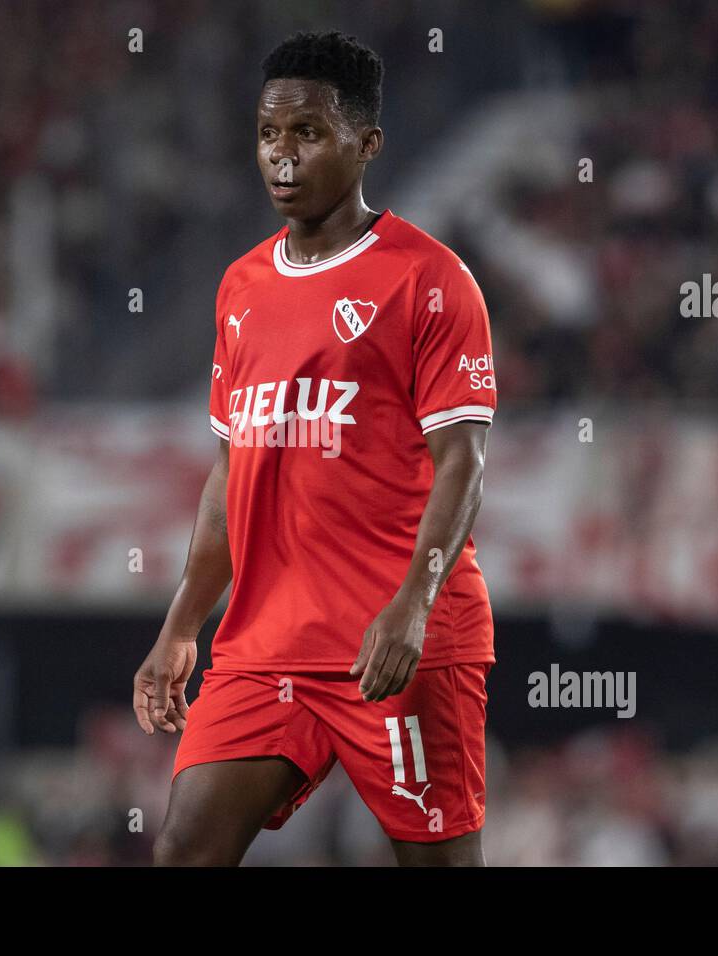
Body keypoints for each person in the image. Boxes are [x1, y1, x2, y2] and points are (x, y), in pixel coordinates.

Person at [133, 31, 498, 865]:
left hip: (399, 643)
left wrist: (413, 604)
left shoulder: (430, 280)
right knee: (184, 846)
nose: (282, 156)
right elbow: (233, 472)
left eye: (307, 133)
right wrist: (184, 622)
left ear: (366, 143)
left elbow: (463, 463)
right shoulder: (240, 288)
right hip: (266, 648)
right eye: (269, 135)